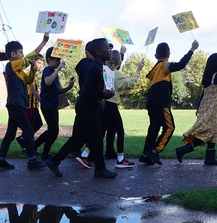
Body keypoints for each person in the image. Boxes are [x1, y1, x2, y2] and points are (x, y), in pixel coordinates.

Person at [45, 38, 117, 179]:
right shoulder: (95, 68)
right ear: (97, 52)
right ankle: (100, 169)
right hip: (87, 107)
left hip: (89, 107)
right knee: (97, 136)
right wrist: (104, 95)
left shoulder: (100, 67)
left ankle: (54, 161)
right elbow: (86, 91)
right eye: (107, 48)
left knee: (77, 138)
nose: (110, 51)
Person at [0, 33, 50, 170]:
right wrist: (43, 42)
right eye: (20, 52)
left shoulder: (19, 71)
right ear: (13, 54)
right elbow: (29, 57)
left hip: (16, 103)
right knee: (28, 130)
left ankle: (0, 159)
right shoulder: (12, 65)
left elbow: (29, 80)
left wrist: (32, 68)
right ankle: (32, 160)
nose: (22, 54)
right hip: (16, 103)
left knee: (11, 133)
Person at [139, 40, 199, 166]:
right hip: (161, 103)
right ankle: (155, 151)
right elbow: (180, 65)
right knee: (169, 127)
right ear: (169, 54)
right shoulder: (163, 66)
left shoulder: (154, 70)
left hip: (151, 104)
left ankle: (145, 155)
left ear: (155, 56)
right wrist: (192, 49)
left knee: (154, 128)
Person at [176, 53, 217, 165]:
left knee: (213, 132)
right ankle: (182, 150)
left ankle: (210, 158)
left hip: (206, 108)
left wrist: (198, 108)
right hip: (210, 110)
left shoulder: (208, 77)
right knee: (206, 133)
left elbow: (203, 95)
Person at [102, 50, 144, 168]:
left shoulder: (105, 71)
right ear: (119, 61)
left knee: (100, 132)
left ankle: (85, 154)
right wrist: (138, 70)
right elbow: (130, 84)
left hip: (104, 104)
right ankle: (120, 159)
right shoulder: (117, 74)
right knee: (120, 132)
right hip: (112, 104)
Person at [34, 47, 75, 161]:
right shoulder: (48, 70)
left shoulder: (54, 73)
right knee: (53, 130)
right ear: (49, 60)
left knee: (54, 130)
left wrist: (69, 87)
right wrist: (58, 69)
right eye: (56, 60)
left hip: (53, 105)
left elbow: (58, 90)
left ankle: (43, 151)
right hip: (47, 104)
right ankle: (35, 146)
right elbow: (47, 82)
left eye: (59, 60)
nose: (59, 62)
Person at [16, 55, 44, 152]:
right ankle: (29, 149)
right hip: (30, 105)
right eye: (39, 63)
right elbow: (32, 90)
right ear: (33, 62)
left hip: (34, 105)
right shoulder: (29, 73)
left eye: (42, 64)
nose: (41, 66)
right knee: (30, 128)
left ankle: (23, 140)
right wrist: (41, 100)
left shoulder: (34, 74)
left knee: (38, 124)